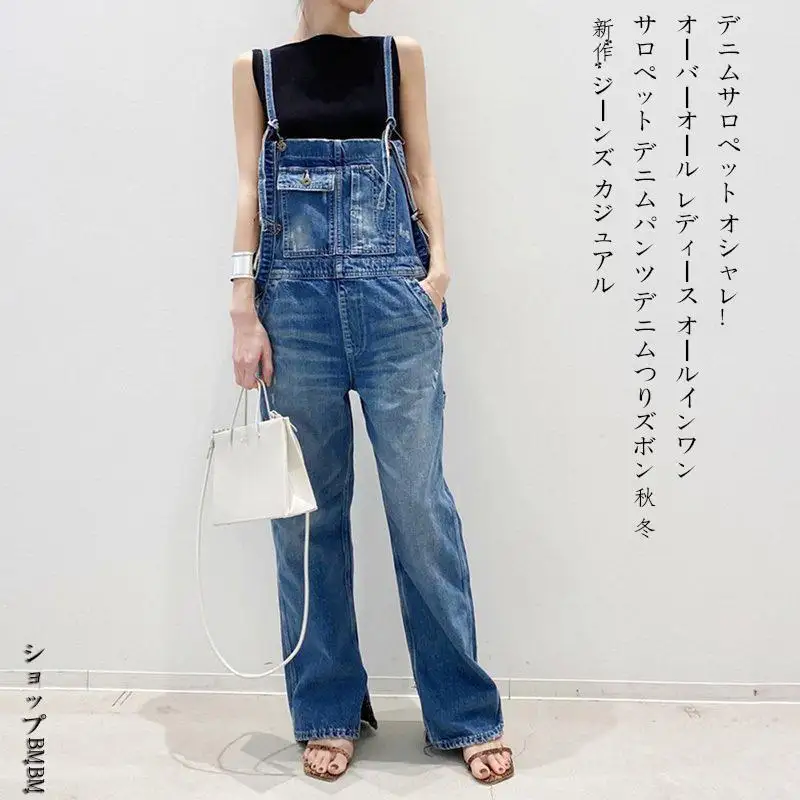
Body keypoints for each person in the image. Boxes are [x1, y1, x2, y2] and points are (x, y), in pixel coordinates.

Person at [228, 0, 514, 785]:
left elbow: (422, 170)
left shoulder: (397, 56)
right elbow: (249, 189)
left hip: (395, 305)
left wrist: (440, 268)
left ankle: (464, 713)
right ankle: (328, 711)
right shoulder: (258, 72)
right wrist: (242, 307)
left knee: (420, 509)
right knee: (308, 521)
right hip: (294, 314)